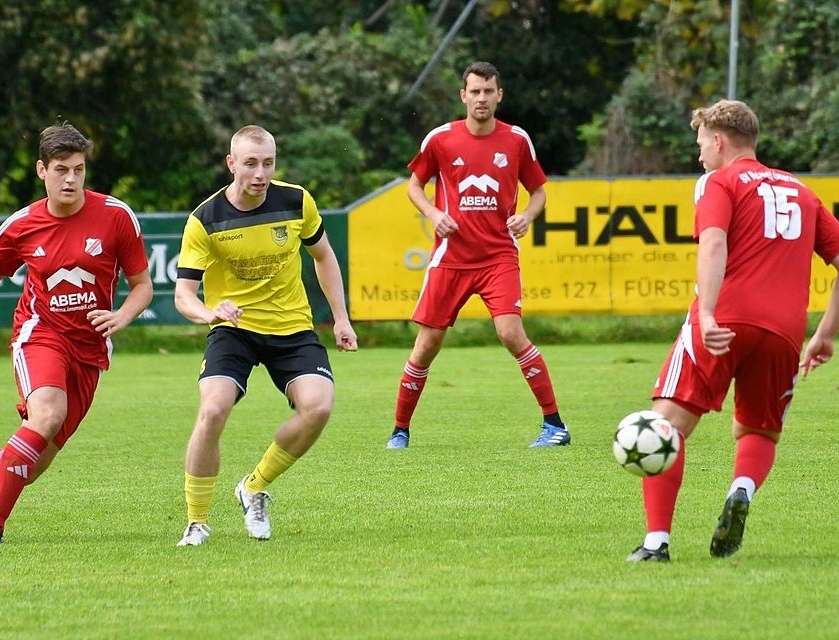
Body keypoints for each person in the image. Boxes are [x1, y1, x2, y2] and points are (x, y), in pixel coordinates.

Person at [627, 99, 839, 562]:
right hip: (784, 332)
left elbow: (714, 243)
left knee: (664, 426)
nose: (699, 154)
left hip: (726, 319)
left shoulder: (719, 181)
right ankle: (742, 488)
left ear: (718, 141)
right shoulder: (802, 191)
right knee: (759, 429)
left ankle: (656, 544)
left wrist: (707, 313)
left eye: (701, 144)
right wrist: (826, 334)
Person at [0, 122, 153, 545]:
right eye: (61, 170)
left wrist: (123, 316)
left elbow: (142, 286)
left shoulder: (116, 216)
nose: (71, 179)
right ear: (42, 170)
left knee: (32, 465)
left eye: (78, 169)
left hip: (90, 349)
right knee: (47, 415)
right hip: (40, 334)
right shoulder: (23, 224)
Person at [174, 125, 357, 546]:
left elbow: (324, 257)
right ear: (231, 163)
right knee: (213, 410)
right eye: (251, 164)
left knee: (318, 407)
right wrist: (209, 313)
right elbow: (184, 295)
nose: (260, 174)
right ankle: (197, 522)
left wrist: (341, 318)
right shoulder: (205, 219)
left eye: (268, 163)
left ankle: (253, 487)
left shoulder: (296, 201)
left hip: (292, 327)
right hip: (234, 329)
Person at [385, 61, 569, 450]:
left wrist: (527, 216)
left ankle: (555, 425)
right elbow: (414, 186)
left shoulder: (516, 140)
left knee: (510, 333)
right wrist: (433, 214)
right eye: (475, 91)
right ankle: (400, 430)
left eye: (488, 91)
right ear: (463, 96)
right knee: (427, 345)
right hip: (450, 258)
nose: (481, 98)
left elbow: (538, 192)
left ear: (499, 95)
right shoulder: (440, 139)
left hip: (498, 256)